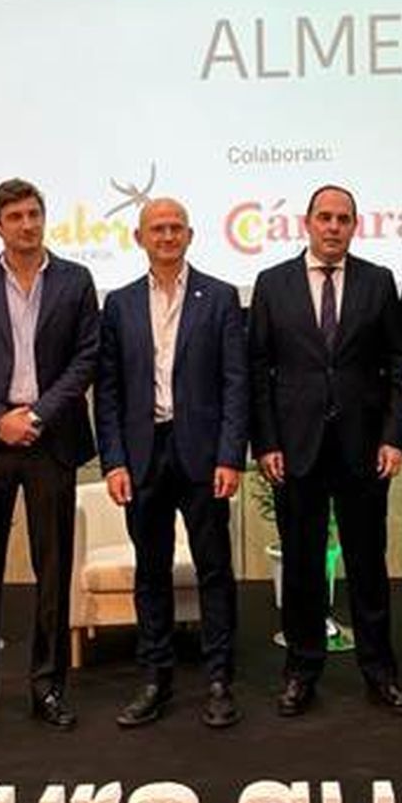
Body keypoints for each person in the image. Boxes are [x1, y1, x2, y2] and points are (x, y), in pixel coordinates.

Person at [0, 179, 99, 743]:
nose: (28, 224)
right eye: (15, 216)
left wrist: (37, 416)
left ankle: (47, 688)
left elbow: (86, 358)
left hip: (49, 440)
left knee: (52, 571)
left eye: (34, 214)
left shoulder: (76, 280)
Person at [248, 185, 402, 718]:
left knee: (368, 562)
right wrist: (266, 441)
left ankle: (379, 670)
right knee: (300, 565)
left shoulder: (378, 282)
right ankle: (301, 669)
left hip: (365, 449)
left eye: (344, 219)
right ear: (308, 222)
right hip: (295, 449)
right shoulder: (272, 284)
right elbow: (258, 372)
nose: (334, 227)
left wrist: (394, 436)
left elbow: (396, 367)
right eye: (325, 217)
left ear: (354, 225)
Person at [95, 198, 248, 728]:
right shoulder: (118, 304)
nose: (166, 236)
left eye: (175, 227)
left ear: (190, 234)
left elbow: (236, 384)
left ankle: (219, 678)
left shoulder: (222, 298)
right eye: (156, 229)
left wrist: (232, 454)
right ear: (140, 238)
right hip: (142, 457)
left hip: (204, 457)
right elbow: (107, 392)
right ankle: (156, 676)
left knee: (214, 569)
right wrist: (113, 461)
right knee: (151, 571)